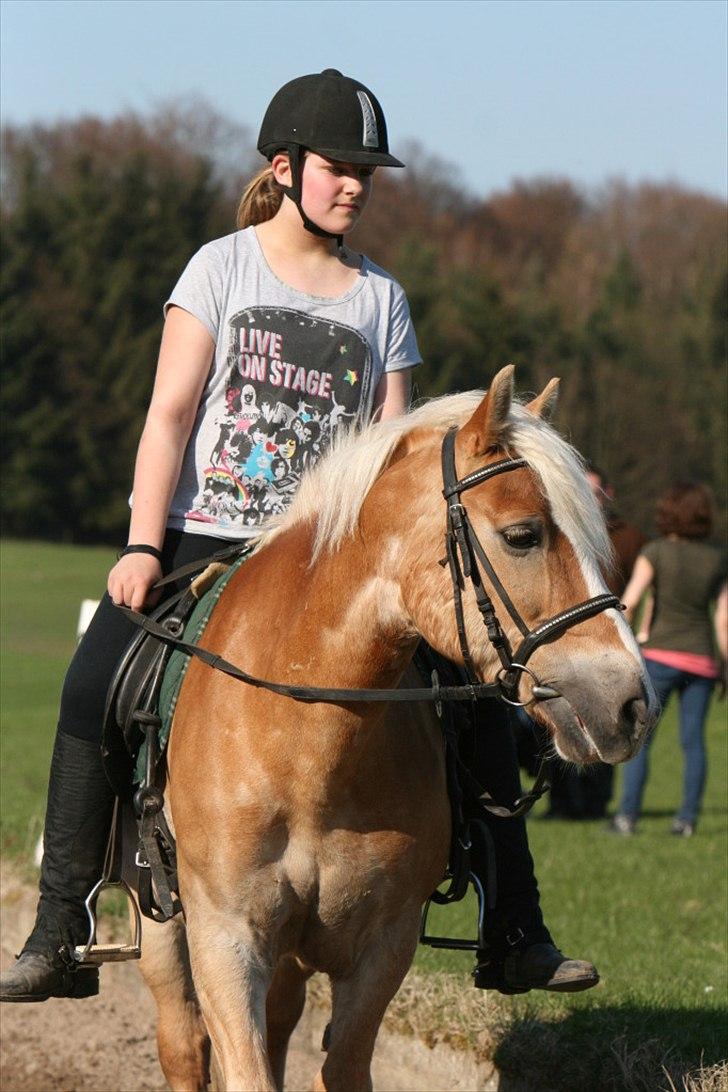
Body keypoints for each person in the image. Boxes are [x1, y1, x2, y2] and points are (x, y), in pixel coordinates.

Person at [0, 68, 597, 1004]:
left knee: (476, 704)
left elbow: (394, 454)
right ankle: (60, 927)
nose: (356, 185)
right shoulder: (219, 269)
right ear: (283, 168)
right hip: (207, 539)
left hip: (331, 562)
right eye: (339, 167)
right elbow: (169, 416)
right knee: (91, 686)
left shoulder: (381, 298)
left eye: (367, 172)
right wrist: (143, 545)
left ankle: (513, 929)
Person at [610, 482, 727, 836]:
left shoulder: (656, 552)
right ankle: (686, 821)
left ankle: (627, 818)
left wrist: (624, 646)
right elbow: (723, 619)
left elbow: (630, 603)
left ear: (668, 512)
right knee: (693, 742)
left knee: (641, 738)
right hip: (702, 661)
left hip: (658, 657)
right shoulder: (717, 559)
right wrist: (724, 666)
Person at [544, 465, 646, 819]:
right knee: (560, 717)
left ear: (609, 494)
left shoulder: (628, 537)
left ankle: (597, 801)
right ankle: (562, 801)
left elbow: (642, 584)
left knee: (610, 716)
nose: (589, 497)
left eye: (595, 490)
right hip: (566, 637)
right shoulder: (559, 531)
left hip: (609, 636)